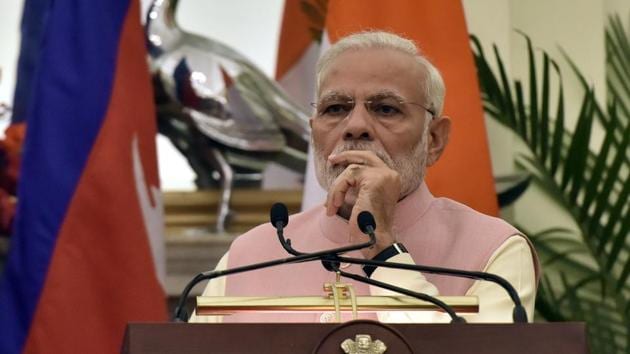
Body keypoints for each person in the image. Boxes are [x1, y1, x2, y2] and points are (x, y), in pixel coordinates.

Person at [189, 31, 539, 323]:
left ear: (433, 140)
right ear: (314, 133)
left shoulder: (494, 250)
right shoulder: (248, 256)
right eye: (336, 109)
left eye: (386, 109)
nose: (355, 126)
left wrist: (384, 250)